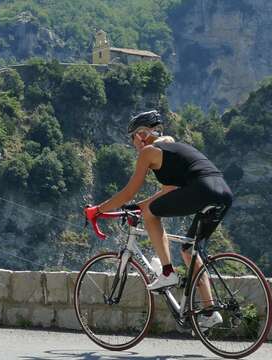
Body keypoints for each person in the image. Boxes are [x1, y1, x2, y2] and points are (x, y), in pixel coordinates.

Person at [84, 110, 233, 329]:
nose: (133, 143)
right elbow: (166, 193)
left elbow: (128, 192)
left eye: (133, 137)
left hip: (202, 190)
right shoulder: (173, 151)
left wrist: (98, 209)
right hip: (222, 192)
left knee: (151, 214)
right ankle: (210, 312)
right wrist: (134, 208)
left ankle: (167, 272)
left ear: (142, 134)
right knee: (188, 249)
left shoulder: (149, 152)